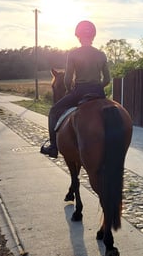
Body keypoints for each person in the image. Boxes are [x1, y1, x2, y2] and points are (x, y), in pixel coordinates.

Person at [40, 20, 111, 158]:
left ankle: (53, 147)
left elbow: (67, 79)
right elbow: (107, 79)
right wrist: (98, 87)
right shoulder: (101, 54)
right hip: (98, 92)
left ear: (78, 36)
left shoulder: (73, 54)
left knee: (54, 111)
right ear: (93, 37)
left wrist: (69, 90)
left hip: (80, 91)